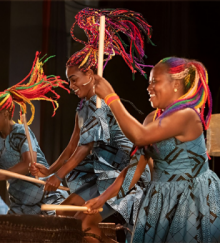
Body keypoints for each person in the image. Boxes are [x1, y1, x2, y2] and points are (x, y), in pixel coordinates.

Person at [29, 9, 153, 242]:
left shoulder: (101, 105)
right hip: (102, 177)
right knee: (62, 217)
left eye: (73, 79)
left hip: (123, 176)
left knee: (84, 223)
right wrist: (50, 172)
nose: (71, 85)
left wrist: (59, 176)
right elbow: (71, 147)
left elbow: (85, 149)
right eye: (68, 81)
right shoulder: (83, 108)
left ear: (89, 74)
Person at [85, 57, 219, 242]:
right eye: (149, 83)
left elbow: (139, 136)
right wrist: (102, 200)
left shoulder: (187, 116)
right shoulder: (151, 120)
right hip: (160, 200)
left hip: (189, 200)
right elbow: (134, 170)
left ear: (176, 84)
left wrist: (110, 97)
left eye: (155, 81)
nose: (149, 88)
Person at [0, 52, 68, 215]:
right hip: (21, 204)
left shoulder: (21, 132)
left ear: (5, 114)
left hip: (45, 198)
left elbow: (27, 164)